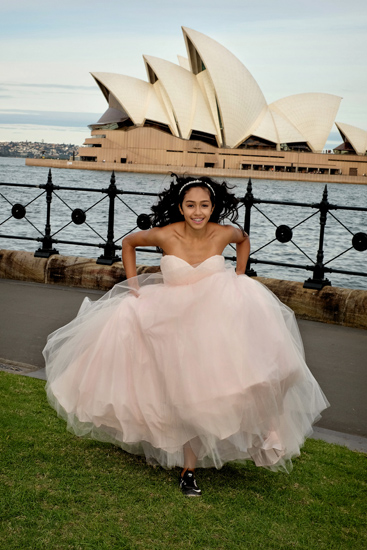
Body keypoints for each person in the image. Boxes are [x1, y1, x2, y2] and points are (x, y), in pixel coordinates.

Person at [44, 175, 329, 498]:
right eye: (191, 205)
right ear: (180, 207)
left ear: (213, 207)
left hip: (215, 318)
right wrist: (134, 287)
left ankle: (260, 431)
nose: (198, 212)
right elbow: (128, 244)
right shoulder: (165, 234)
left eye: (204, 205)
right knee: (179, 392)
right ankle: (188, 469)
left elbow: (244, 239)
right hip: (172, 319)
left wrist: (239, 276)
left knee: (262, 374)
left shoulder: (224, 233)